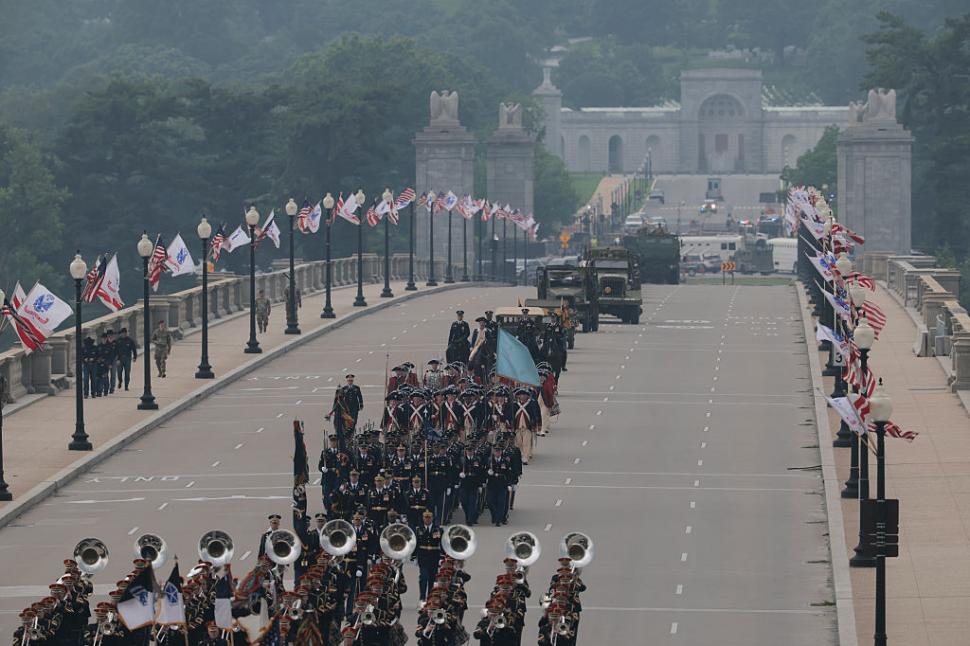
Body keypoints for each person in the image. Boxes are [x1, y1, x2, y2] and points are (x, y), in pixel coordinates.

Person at [414, 510, 442, 604]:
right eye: (425, 518)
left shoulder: (438, 529)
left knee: (432, 578)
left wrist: (442, 557)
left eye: (429, 518)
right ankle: (422, 597)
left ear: (432, 518)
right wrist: (414, 556)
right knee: (423, 577)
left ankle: (430, 596)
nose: (427, 520)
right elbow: (416, 543)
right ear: (423, 518)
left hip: (434, 556)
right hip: (423, 556)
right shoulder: (419, 529)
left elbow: (441, 543)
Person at [511, 388, 540, 464]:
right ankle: (521, 455)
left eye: (524, 395)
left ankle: (525, 458)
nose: (522, 396)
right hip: (518, 427)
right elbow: (512, 416)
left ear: (527, 396)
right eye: (521, 395)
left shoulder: (531, 404)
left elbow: (535, 414)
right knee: (519, 443)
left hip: (527, 427)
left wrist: (535, 424)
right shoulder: (515, 405)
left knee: (526, 443)